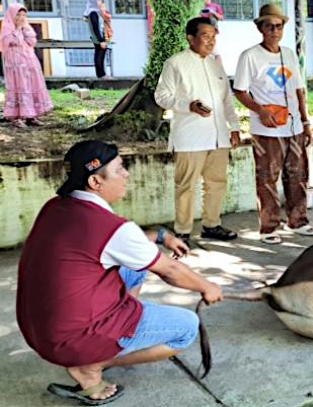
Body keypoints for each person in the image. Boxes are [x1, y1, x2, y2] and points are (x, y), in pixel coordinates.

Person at [16, 140, 223, 405]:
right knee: (186, 327)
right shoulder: (111, 228)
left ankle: (113, 337)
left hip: (40, 330)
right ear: (95, 182)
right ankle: (94, 364)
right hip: (68, 339)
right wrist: (207, 287)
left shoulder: (57, 207)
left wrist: (160, 236)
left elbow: (118, 245)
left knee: (133, 270)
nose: (126, 175)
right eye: (120, 169)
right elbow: (170, 269)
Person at [234, 4, 313, 244]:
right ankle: (269, 227)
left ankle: (298, 220)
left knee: (298, 174)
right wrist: (260, 110)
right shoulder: (249, 56)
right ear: (260, 28)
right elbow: (239, 91)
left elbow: (299, 90)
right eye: (268, 26)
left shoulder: (289, 54)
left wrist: (305, 121)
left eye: (278, 26)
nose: (274, 30)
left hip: (294, 128)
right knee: (267, 177)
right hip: (266, 130)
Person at [154, 17, 241, 241]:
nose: (211, 41)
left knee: (217, 184)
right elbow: (161, 96)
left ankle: (212, 225)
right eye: (205, 36)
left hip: (218, 136)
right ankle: (182, 231)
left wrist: (234, 127)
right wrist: (187, 106)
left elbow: (227, 100)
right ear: (190, 38)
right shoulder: (175, 63)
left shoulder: (216, 64)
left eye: (213, 36)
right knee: (186, 186)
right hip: (190, 137)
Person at [1, 3, 53, 128]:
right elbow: (15, 41)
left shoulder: (26, 26)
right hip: (15, 63)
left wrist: (24, 27)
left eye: (24, 15)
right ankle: (17, 117)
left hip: (29, 60)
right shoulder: (7, 28)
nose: (21, 17)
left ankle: (32, 116)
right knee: (19, 86)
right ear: (12, 15)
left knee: (32, 85)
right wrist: (18, 28)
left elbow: (32, 40)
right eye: (18, 14)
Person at [84, 0, 109, 79]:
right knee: (100, 55)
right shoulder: (93, 13)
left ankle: (101, 74)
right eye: (98, 0)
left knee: (99, 55)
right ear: (94, 2)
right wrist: (101, 40)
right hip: (98, 38)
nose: (100, 2)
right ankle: (101, 74)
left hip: (98, 37)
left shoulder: (93, 12)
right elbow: (96, 28)